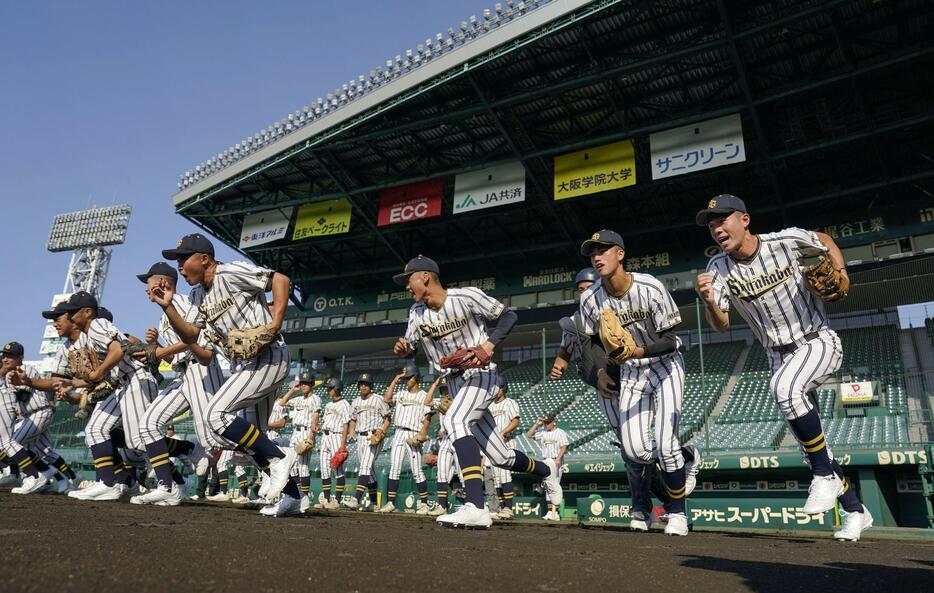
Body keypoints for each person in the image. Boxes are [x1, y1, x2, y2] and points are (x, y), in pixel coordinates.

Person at [694, 194, 870, 541]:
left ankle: (823, 476)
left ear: (744, 220)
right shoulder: (717, 269)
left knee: (785, 391)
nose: (716, 228)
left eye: (722, 219)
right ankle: (855, 511)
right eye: (711, 224)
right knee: (814, 448)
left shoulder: (785, 241)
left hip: (817, 340)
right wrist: (709, 303)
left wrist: (841, 269)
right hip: (777, 355)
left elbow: (826, 241)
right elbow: (721, 324)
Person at [392, 255, 561, 528]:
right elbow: (410, 348)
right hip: (455, 382)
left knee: (454, 421)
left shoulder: (465, 297)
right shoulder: (416, 313)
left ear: (425, 277)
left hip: (482, 374)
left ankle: (476, 505)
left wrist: (488, 346)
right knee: (500, 457)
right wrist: (405, 351)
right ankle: (547, 469)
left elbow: (509, 315)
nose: (406, 287)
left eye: (408, 280)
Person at [149, 233, 301, 516]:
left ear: (204, 259)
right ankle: (292, 497)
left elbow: (279, 279)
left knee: (215, 415)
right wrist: (168, 307)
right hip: (245, 365)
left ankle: (282, 457)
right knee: (253, 438)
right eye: (178, 261)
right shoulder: (196, 295)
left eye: (184, 259)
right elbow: (193, 336)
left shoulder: (230, 272)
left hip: (270, 356)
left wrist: (276, 322)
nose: (179, 266)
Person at [527, 415, 568, 521]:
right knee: (548, 486)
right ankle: (550, 512)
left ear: (554, 422)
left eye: (548, 422)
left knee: (555, 486)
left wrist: (558, 459)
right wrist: (536, 424)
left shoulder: (560, 432)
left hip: (555, 460)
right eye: (545, 422)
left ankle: (556, 513)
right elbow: (529, 435)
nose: (546, 424)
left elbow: (564, 446)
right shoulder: (543, 431)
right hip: (546, 460)